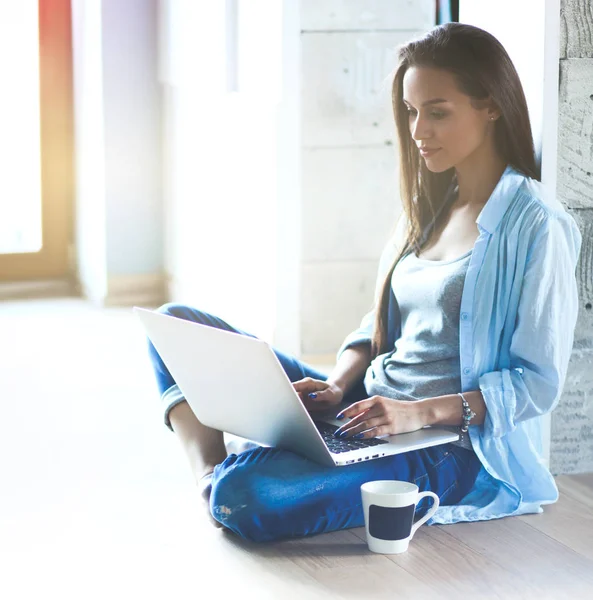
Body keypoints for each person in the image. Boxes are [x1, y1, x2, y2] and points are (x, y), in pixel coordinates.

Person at [146, 22, 582, 543]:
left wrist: (415, 412)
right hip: (365, 410)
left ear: (490, 105)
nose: (419, 131)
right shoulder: (428, 206)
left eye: (437, 112)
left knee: (252, 497)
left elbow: (536, 382)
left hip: (445, 446)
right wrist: (336, 385)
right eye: (412, 111)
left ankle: (243, 479)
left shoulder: (537, 224)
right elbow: (378, 327)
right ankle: (212, 478)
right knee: (174, 327)